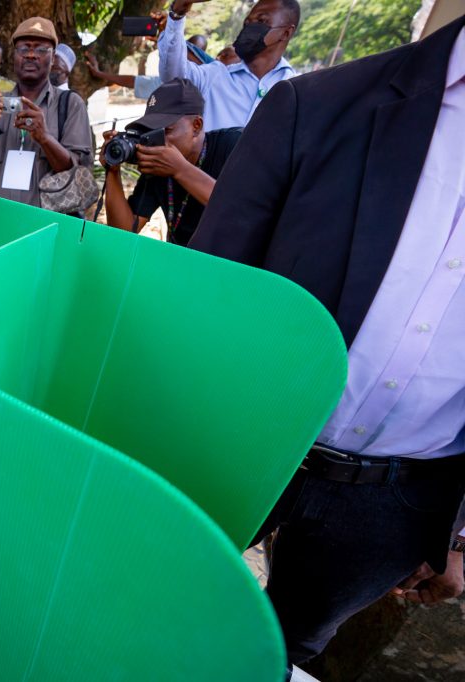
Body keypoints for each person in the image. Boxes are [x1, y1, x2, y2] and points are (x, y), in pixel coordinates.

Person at [187, 16, 465, 669]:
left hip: (400, 499)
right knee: (148, 603)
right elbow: (201, 307)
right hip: (239, 451)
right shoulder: (316, 106)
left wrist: (459, 534)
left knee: (287, 650)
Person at [0, 17, 93, 208]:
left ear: (53, 59)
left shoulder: (70, 104)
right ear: (14, 56)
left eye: (41, 49)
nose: (31, 55)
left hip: (44, 219)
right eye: (24, 48)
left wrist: (44, 138)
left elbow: (77, 174)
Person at [100, 79, 240, 247]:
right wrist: (112, 170)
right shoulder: (158, 163)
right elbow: (124, 230)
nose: (158, 139)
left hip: (230, 259)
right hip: (181, 258)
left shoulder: (233, 146)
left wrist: (180, 170)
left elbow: (238, 210)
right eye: (151, 131)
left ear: (196, 126)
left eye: (166, 130)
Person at [160, 0, 299, 130]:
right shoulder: (215, 76)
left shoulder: (297, 92)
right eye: (247, 23)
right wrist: (177, 13)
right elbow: (172, 75)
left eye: (261, 21)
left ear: (286, 33)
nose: (251, 26)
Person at [85, 39, 215, 100]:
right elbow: (134, 81)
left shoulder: (213, 87)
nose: (184, 59)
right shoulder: (170, 84)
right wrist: (99, 73)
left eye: (191, 53)